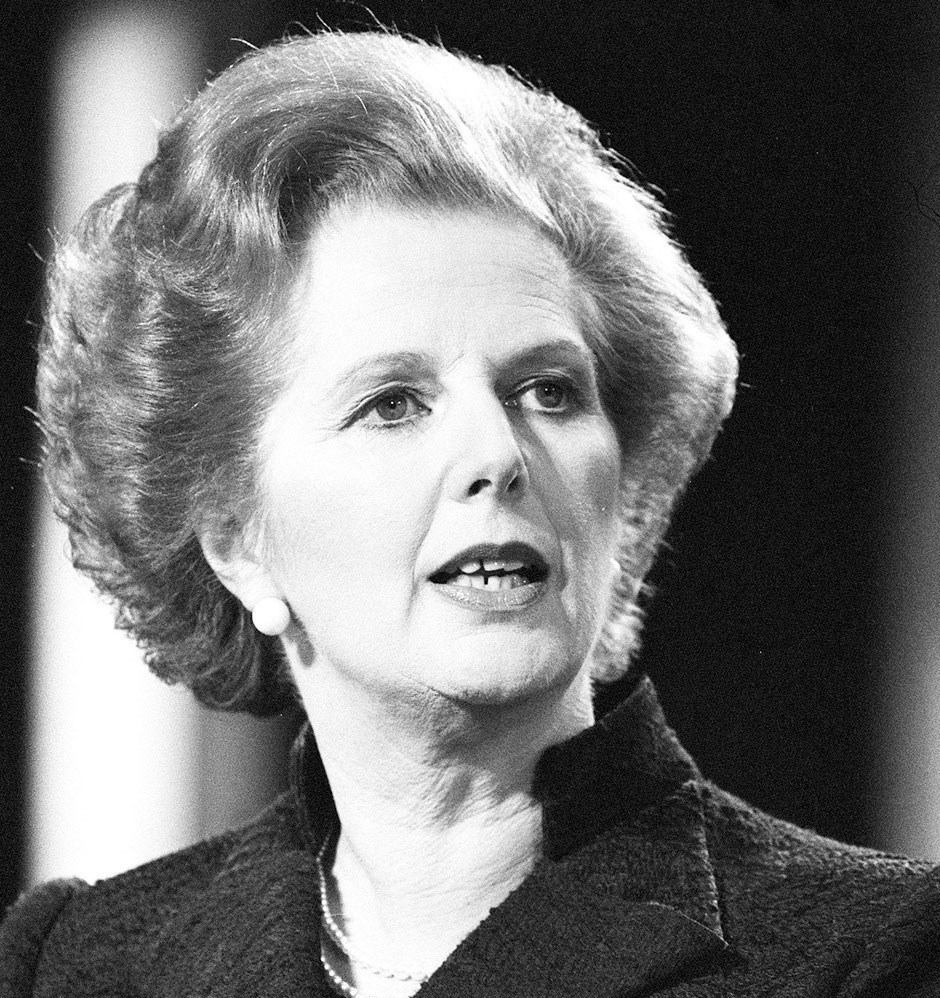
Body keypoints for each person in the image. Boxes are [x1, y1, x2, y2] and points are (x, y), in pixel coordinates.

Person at [1, 27, 938, 998]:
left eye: (548, 390)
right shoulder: (78, 963)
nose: (498, 454)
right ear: (238, 540)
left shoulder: (875, 955)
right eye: (393, 403)